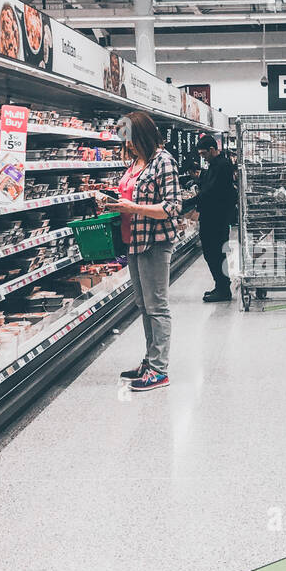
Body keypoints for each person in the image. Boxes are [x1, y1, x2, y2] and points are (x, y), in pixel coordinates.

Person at [105, 112, 182, 391]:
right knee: (143, 305)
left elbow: (173, 207)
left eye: (131, 140)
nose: (127, 146)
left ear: (142, 135)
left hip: (155, 241)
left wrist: (131, 208)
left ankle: (160, 370)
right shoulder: (137, 162)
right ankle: (150, 361)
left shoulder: (164, 161)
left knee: (157, 306)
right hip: (133, 241)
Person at [188, 133, 237, 302]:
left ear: (211, 149)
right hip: (214, 217)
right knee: (213, 254)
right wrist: (200, 177)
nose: (203, 157)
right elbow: (210, 184)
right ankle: (221, 286)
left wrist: (190, 201)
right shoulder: (217, 164)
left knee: (214, 253)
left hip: (217, 218)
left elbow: (212, 191)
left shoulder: (222, 165)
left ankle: (223, 290)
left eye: (203, 154)